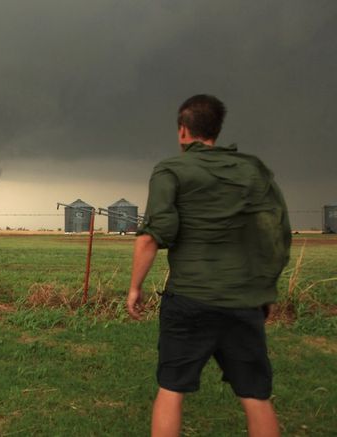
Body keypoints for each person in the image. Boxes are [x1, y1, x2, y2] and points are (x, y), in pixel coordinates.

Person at [127, 94, 291, 437]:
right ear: (216, 130)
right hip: (243, 302)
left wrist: (134, 289)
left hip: (189, 299)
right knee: (256, 397)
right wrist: (265, 289)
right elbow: (274, 233)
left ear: (183, 131)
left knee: (171, 390)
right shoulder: (252, 170)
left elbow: (152, 235)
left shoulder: (170, 170)